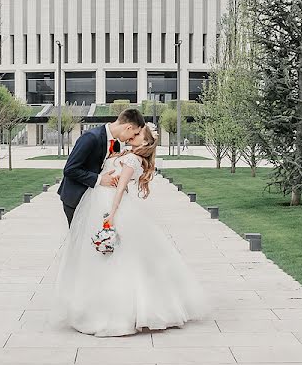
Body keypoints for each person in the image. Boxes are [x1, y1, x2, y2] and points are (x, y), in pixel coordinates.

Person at [54, 123, 205, 337]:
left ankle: (121, 310)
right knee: (97, 258)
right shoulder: (124, 152)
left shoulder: (133, 160)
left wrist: (112, 214)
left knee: (120, 260)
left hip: (111, 206)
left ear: (144, 141)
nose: (133, 135)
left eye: (137, 134)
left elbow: (121, 188)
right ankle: (92, 303)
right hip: (96, 202)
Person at [57, 109, 145, 227]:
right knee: (82, 241)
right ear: (128, 127)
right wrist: (99, 179)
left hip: (95, 200)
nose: (132, 138)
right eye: (135, 133)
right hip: (76, 197)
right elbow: (70, 169)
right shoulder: (91, 137)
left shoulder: (117, 144)